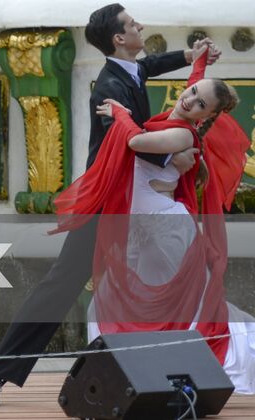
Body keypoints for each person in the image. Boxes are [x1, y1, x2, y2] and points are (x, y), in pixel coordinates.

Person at [0, 4, 217, 407]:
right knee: (61, 285)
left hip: (136, 203)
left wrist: (188, 57)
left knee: (183, 274)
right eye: (132, 24)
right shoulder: (109, 88)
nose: (140, 25)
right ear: (120, 39)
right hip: (106, 203)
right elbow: (127, 142)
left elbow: (150, 66)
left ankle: (181, 373)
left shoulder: (131, 69)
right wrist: (171, 158)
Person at [52, 45, 254, 391]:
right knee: (122, 300)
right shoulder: (178, 121)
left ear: (205, 116)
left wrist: (119, 114)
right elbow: (195, 84)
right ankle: (140, 370)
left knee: (185, 307)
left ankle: (202, 366)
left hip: (165, 229)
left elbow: (136, 142)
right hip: (144, 227)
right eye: (191, 93)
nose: (190, 100)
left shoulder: (180, 134)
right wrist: (199, 57)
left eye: (200, 104)